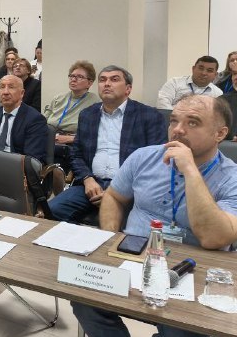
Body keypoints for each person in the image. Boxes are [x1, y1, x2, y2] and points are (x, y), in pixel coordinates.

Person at [73, 95, 237, 337]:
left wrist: (190, 170)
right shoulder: (144, 157)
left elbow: (214, 238)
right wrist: (112, 239)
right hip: (133, 258)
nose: (178, 130)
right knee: (83, 298)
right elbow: (114, 197)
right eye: (174, 121)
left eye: (193, 123)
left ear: (220, 133)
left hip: (192, 275)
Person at [48, 65, 168, 223]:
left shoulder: (149, 116)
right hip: (91, 185)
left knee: (123, 226)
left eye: (114, 79)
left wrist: (118, 191)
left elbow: (155, 160)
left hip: (131, 189)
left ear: (128, 89)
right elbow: (76, 154)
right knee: (51, 211)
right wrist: (87, 179)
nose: (107, 83)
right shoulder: (88, 115)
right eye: (102, 80)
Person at [43, 61, 101, 170]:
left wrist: (70, 139)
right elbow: (42, 121)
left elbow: (96, 134)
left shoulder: (95, 102)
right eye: (72, 76)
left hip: (71, 144)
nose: (73, 79)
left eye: (79, 77)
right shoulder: (58, 98)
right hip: (50, 139)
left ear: (89, 83)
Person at [0, 74, 48, 162]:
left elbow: (31, 158)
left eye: (11, 87)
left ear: (22, 93)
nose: (5, 92)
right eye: (2, 87)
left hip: (17, 165)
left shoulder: (35, 119)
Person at [156, 55, 222, 109]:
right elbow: (162, 104)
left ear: (215, 75)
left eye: (209, 70)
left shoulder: (217, 94)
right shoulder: (174, 83)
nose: (204, 73)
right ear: (193, 69)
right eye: (201, 68)